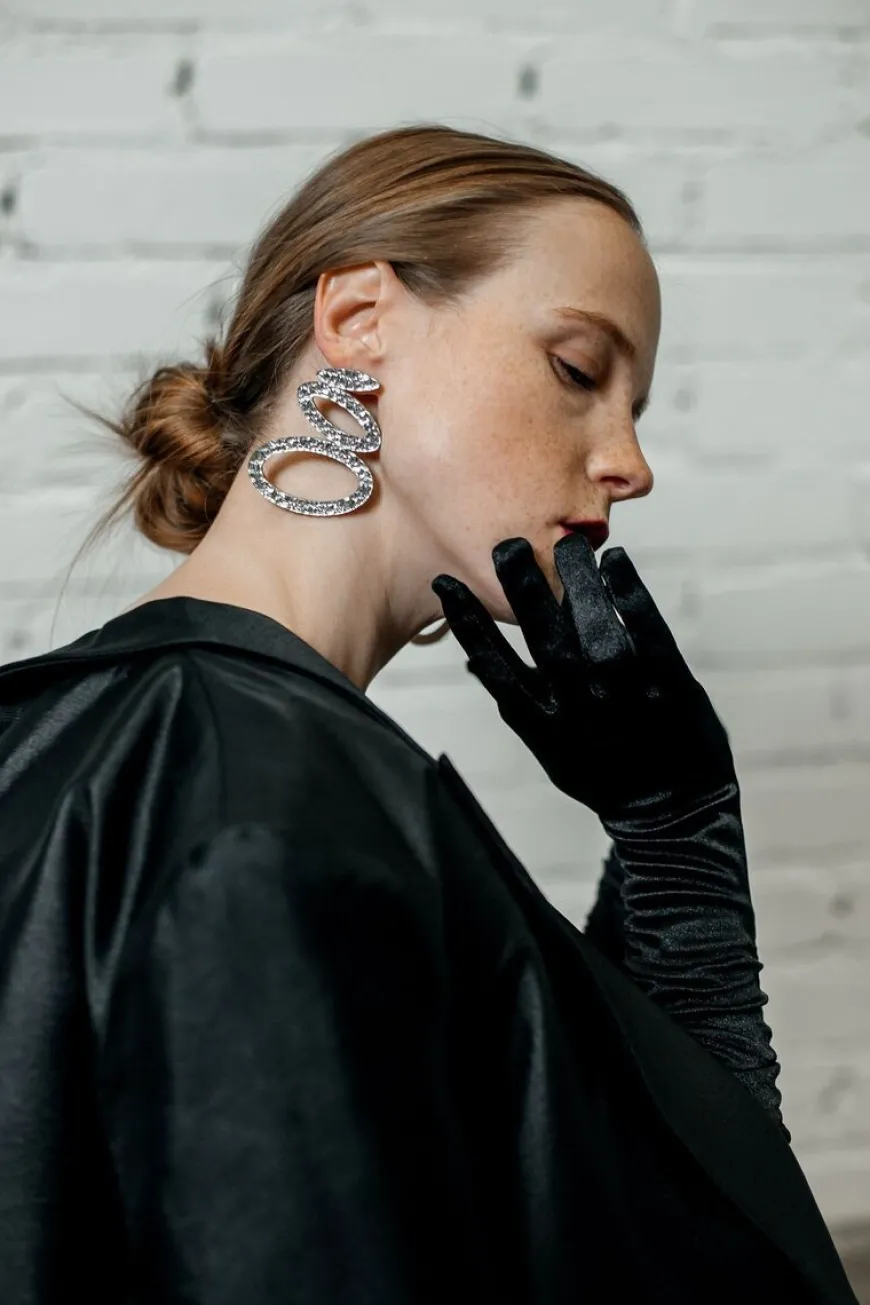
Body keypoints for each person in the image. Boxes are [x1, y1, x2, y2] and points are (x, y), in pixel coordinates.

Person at [0, 124, 857, 1305]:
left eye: (638, 407)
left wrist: (674, 841)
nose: (631, 462)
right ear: (360, 320)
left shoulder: (78, 734)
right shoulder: (266, 807)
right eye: (577, 370)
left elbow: (639, 1208)